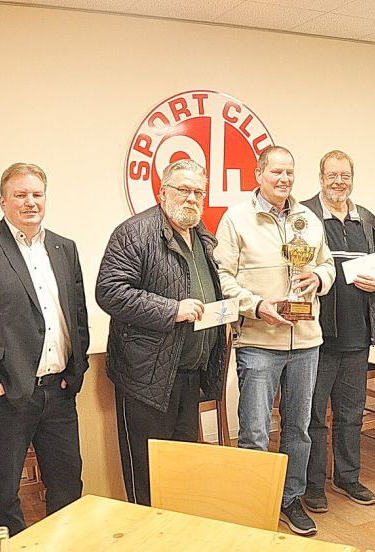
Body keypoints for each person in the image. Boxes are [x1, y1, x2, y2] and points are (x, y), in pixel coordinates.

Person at [0, 163, 90, 534]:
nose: (30, 202)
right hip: (7, 396)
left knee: (68, 484)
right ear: (3, 201)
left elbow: (77, 315)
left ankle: (66, 543)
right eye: (20, 195)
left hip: (58, 392)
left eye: (37, 194)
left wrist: (76, 372)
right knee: (7, 494)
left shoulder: (64, 247)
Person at [213, 145, 335, 536]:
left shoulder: (308, 218)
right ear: (259, 175)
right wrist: (256, 306)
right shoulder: (236, 219)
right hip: (259, 341)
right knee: (254, 431)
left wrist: (319, 278)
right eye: (276, 173)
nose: (284, 180)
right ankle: (253, 503)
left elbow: (327, 263)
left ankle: (289, 499)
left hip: (305, 342)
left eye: (289, 174)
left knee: (298, 428)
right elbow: (222, 277)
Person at [96, 159, 228, 506]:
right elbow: (109, 292)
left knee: (182, 470)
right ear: (162, 192)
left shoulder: (203, 238)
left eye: (198, 191)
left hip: (189, 374)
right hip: (147, 379)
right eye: (183, 189)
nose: (191, 198)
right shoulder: (134, 233)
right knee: (148, 473)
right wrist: (172, 310)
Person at [299, 150, 375, 513]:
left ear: (352, 178)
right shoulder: (303, 216)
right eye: (332, 175)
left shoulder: (366, 219)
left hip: (356, 337)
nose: (339, 182)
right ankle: (313, 484)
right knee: (314, 416)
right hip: (315, 337)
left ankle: (347, 477)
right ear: (320, 177)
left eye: (345, 176)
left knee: (351, 414)